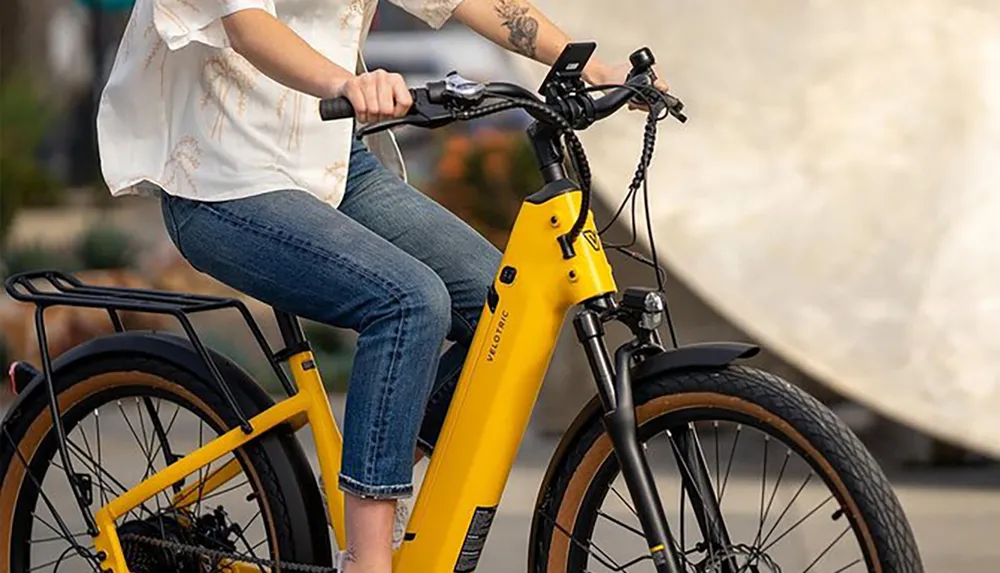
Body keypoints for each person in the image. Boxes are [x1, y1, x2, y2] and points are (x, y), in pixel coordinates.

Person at [95, 0, 668, 571]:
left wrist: (585, 67)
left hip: (332, 162)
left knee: (504, 301)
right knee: (409, 300)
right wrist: (349, 82)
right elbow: (247, 24)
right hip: (221, 180)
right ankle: (366, 558)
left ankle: (366, 472)